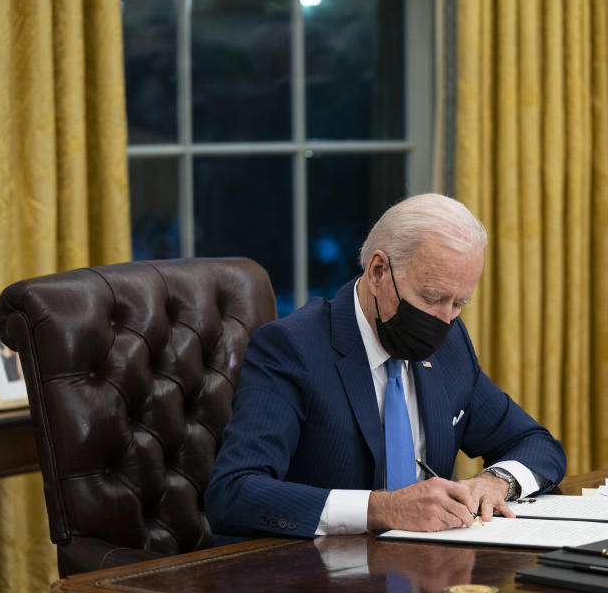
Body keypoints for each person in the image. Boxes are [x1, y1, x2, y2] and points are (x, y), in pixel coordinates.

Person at [206, 193, 567, 539]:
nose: (445, 321)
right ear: (378, 270)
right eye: (432, 298)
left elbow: (535, 443)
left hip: (428, 577)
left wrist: (495, 481)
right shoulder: (292, 349)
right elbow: (233, 493)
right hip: (314, 582)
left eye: (459, 304)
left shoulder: (451, 347)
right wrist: (381, 509)